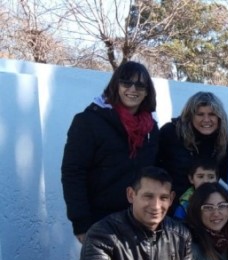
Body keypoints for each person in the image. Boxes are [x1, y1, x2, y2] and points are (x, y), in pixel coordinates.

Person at [62, 61, 159, 243]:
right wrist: (81, 223)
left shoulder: (151, 129)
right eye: (126, 82)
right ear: (116, 85)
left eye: (140, 85)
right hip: (101, 222)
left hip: (140, 221)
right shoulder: (88, 122)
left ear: (147, 91)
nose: (133, 89)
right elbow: (73, 173)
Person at [157, 91, 228, 196]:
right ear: (190, 116)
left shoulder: (223, 139)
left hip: (207, 203)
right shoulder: (171, 133)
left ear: (219, 118)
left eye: (212, 114)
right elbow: (154, 167)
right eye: (200, 114)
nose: (206, 120)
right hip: (172, 203)